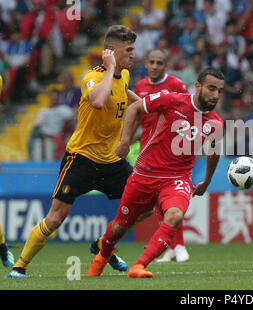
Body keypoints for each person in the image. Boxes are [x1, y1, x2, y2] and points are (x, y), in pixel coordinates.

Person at [8, 25, 142, 279]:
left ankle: (103, 245)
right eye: (129, 50)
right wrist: (111, 67)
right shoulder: (92, 76)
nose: (134, 54)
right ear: (111, 52)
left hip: (112, 160)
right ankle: (20, 265)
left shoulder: (123, 76)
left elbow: (125, 93)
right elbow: (99, 101)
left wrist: (149, 105)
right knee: (56, 218)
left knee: (144, 204)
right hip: (81, 159)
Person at [87, 68, 224, 278]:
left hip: (178, 179)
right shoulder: (171, 100)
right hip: (145, 174)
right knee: (119, 228)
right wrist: (124, 142)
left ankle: (139, 266)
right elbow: (134, 108)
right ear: (198, 86)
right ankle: (102, 255)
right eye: (211, 88)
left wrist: (206, 180)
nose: (215, 95)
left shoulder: (216, 123)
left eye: (219, 91)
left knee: (175, 215)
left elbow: (214, 152)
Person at [133, 49, 191, 263]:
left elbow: (187, 115)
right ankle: (172, 246)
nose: (155, 66)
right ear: (146, 64)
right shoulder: (140, 86)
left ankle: (180, 245)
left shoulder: (177, 86)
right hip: (147, 149)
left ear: (166, 65)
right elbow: (139, 115)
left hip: (170, 150)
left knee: (171, 199)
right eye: (152, 62)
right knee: (158, 201)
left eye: (159, 62)